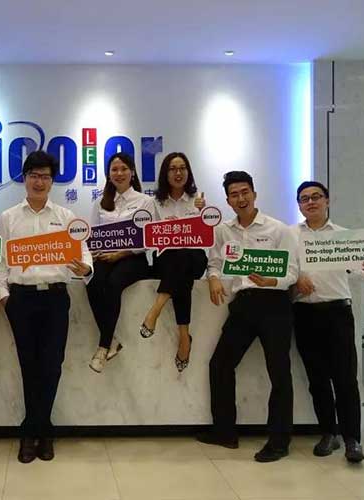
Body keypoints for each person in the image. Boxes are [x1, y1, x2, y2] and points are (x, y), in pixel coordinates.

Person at [0, 151, 93, 463]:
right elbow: (0, 263)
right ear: (25, 178)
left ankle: (38, 429)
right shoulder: (9, 217)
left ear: (52, 181)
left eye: (45, 176)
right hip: (21, 299)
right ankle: (35, 431)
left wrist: (86, 268)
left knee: (51, 366)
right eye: (34, 175)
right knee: (29, 365)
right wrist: (4, 296)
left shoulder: (65, 216)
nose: (39, 181)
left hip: (55, 298)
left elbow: (84, 253)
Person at [198, 170, 299, 463]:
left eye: (245, 192)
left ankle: (279, 441)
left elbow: (292, 272)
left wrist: (272, 281)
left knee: (279, 372)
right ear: (228, 200)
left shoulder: (279, 230)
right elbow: (214, 262)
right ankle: (224, 432)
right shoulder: (224, 231)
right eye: (234, 194)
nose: (240, 198)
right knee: (219, 364)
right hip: (243, 304)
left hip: (275, 305)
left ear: (254, 194)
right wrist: (213, 278)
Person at [293, 180, 364, 463]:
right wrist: (296, 279)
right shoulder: (290, 236)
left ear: (327, 201)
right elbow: (284, 269)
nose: (310, 202)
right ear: (299, 205)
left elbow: (362, 273)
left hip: (338, 314)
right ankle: (328, 433)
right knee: (317, 379)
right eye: (304, 198)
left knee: (345, 379)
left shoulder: (346, 237)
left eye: (316, 197)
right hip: (304, 313)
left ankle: (352, 439)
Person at [139, 153, 207, 372]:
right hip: (166, 260)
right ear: (165, 174)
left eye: (182, 168)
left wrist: (202, 214)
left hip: (195, 258)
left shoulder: (198, 199)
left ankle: (156, 309)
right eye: (173, 169)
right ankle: (184, 336)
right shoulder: (154, 202)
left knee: (184, 257)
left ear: (188, 172)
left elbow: (209, 235)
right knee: (179, 266)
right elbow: (146, 236)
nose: (178, 173)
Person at [85, 152, 152, 373]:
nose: (119, 173)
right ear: (108, 174)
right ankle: (112, 341)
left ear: (132, 172)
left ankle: (103, 347)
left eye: (124, 169)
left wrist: (120, 254)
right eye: (114, 169)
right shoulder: (100, 202)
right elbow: (93, 236)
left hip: (134, 258)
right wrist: (94, 253)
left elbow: (148, 239)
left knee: (113, 283)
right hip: (105, 258)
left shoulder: (145, 201)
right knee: (92, 281)